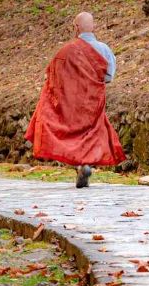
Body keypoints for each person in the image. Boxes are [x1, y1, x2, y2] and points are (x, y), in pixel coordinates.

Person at [25, 12, 126, 188]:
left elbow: (54, 77)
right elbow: (108, 76)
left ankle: (80, 165)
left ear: (76, 28)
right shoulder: (104, 49)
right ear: (93, 27)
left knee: (72, 137)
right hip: (93, 103)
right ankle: (85, 164)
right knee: (91, 135)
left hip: (72, 104)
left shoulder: (66, 50)